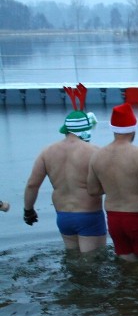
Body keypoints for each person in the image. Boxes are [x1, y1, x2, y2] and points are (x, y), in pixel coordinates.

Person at [23, 85, 106, 253]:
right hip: (89, 215)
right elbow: (110, 185)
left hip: (63, 216)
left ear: (66, 129)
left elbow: (32, 184)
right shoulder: (95, 152)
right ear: (86, 130)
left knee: (73, 259)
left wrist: (28, 211)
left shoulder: (47, 151)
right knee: (93, 263)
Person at [87, 103, 138, 264]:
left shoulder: (97, 156)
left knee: (127, 265)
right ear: (133, 128)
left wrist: (113, 185)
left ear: (113, 129)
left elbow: (93, 190)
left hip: (114, 219)